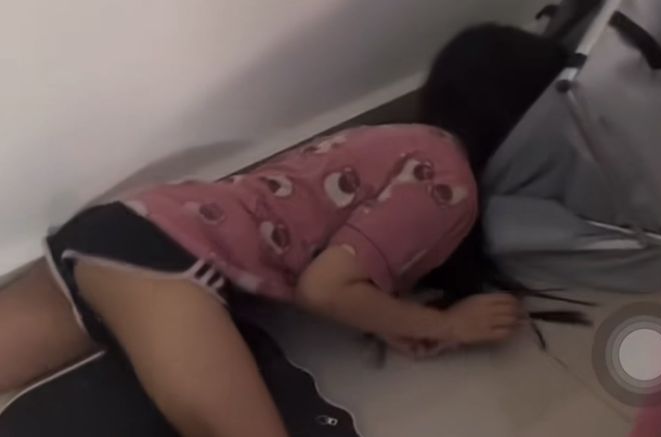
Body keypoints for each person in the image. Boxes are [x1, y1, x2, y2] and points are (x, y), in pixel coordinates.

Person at [0, 24, 567, 437]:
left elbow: (324, 260)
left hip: (127, 223)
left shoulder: (399, 138)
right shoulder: (450, 181)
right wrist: (445, 324)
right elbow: (324, 288)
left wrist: (388, 317)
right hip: (169, 261)